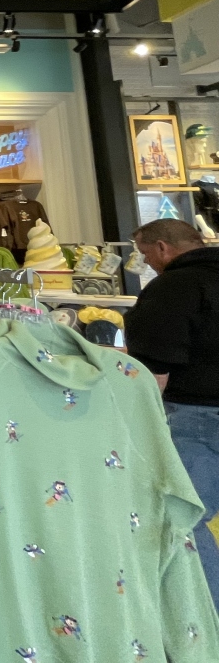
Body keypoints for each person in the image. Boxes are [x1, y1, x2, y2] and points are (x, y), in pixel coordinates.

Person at [124, 218, 219, 608]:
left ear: (162, 247)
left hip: (197, 415)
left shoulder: (172, 288)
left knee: (183, 517)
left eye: (146, 254)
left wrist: (141, 423)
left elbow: (155, 370)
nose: (147, 263)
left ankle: (207, 614)